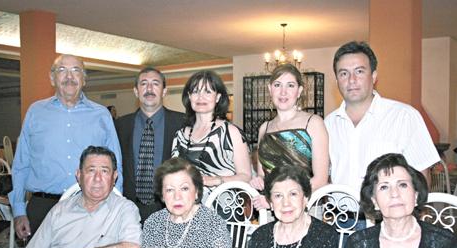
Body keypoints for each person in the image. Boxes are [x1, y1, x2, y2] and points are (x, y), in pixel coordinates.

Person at [10, 54, 122, 240]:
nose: (69, 76)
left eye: (76, 70)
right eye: (62, 70)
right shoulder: (35, 112)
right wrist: (19, 210)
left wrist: (116, 209)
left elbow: (116, 167)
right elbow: (21, 164)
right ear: (52, 78)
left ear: (84, 79)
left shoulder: (101, 115)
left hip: (89, 208)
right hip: (41, 208)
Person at [340, 153, 457, 248]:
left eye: (402, 185)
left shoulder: (445, 243)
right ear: (374, 201)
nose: (394, 194)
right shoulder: (357, 244)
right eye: (384, 187)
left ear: (415, 195)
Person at [325, 41, 439, 194]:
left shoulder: (404, 117)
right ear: (337, 80)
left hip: (390, 216)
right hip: (341, 216)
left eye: (359, 71)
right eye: (344, 73)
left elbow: (422, 175)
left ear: (374, 76)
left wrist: (415, 213)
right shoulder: (328, 124)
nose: (351, 80)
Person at [22, 146, 141, 248]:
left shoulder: (124, 210)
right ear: (79, 175)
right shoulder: (59, 210)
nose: (98, 178)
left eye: (105, 171)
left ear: (114, 177)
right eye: (91, 170)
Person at [250, 64, 329, 210]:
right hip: (271, 210)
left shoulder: (313, 123)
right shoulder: (264, 128)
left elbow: (321, 179)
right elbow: (263, 175)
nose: (283, 92)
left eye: (290, 85)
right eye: (277, 85)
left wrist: (278, 200)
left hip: (306, 208)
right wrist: (258, 181)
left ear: (299, 91)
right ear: (269, 89)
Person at [116, 67, 184, 222]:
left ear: (164, 91)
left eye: (155, 84)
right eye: (144, 84)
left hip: (169, 208)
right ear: (135, 91)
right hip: (129, 209)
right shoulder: (121, 125)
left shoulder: (182, 123)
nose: (149, 89)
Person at [172, 70, 251, 201]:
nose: (200, 97)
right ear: (189, 96)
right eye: (196, 91)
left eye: (207, 91)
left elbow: (246, 176)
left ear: (218, 97)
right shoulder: (180, 135)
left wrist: (215, 180)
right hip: (186, 210)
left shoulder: (231, 132)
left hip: (223, 211)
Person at [141, 157, 231, 248]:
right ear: (162, 196)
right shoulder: (153, 223)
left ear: (197, 192)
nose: (177, 196)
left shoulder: (213, 225)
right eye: (169, 190)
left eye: (184, 188)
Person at [246, 165, 338, 248]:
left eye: (293, 194)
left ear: (305, 199)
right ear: (270, 203)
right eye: (278, 196)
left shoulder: (325, 236)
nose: (286, 203)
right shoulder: (260, 236)